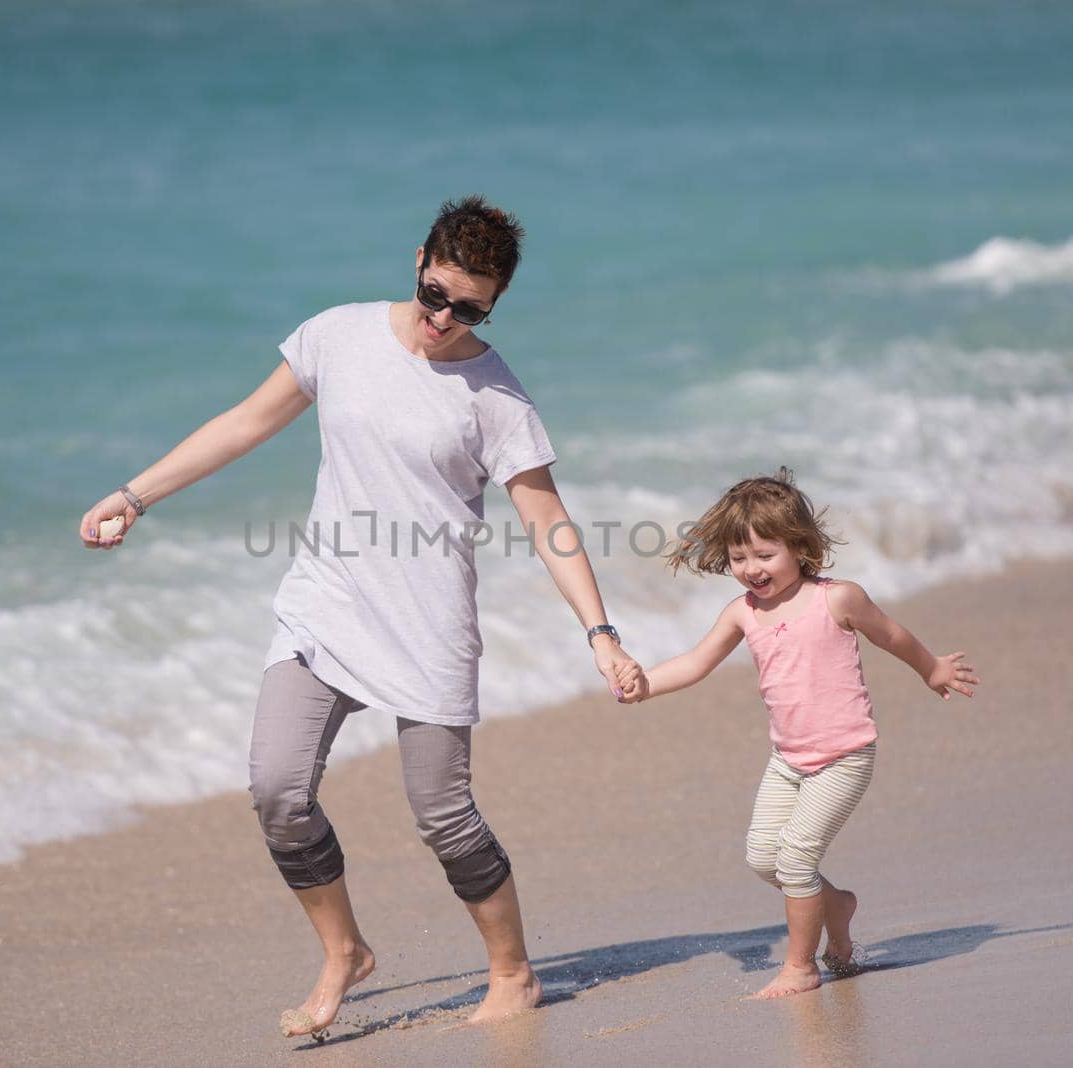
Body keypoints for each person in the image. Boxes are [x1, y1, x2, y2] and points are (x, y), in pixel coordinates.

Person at [78, 196, 642, 1036]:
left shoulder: (495, 395)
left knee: (443, 816)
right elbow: (244, 424)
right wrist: (135, 496)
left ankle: (513, 974)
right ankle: (344, 951)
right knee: (277, 789)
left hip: (428, 622)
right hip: (327, 605)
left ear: (495, 305)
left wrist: (601, 635)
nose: (444, 319)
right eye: (435, 294)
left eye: (470, 308)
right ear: (417, 260)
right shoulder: (336, 335)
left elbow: (546, 519)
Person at [616, 469, 978, 998]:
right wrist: (644, 683)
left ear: (800, 545)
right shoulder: (743, 612)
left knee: (796, 859)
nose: (751, 569)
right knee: (764, 858)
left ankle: (801, 966)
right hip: (788, 759)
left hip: (845, 755)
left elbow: (891, 634)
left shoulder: (838, 599)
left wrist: (930, 668)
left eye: (765, 555)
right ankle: (839, 906)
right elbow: (695, 663)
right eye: (739, 558)